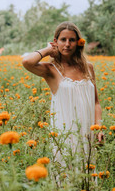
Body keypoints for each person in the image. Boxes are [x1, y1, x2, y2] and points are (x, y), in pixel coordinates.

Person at [22, 21, 104, 166]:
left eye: (71, 40)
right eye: (63, 40)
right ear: (56, 42)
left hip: (88, 131)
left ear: (78, 42)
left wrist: (99, 128)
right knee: (67, 174)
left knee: (87, 174)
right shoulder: (51, 69)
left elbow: (96, 102)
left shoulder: (88, 67)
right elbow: (27, 61)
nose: (67, 44)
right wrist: (47, 50)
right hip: (65, 134)